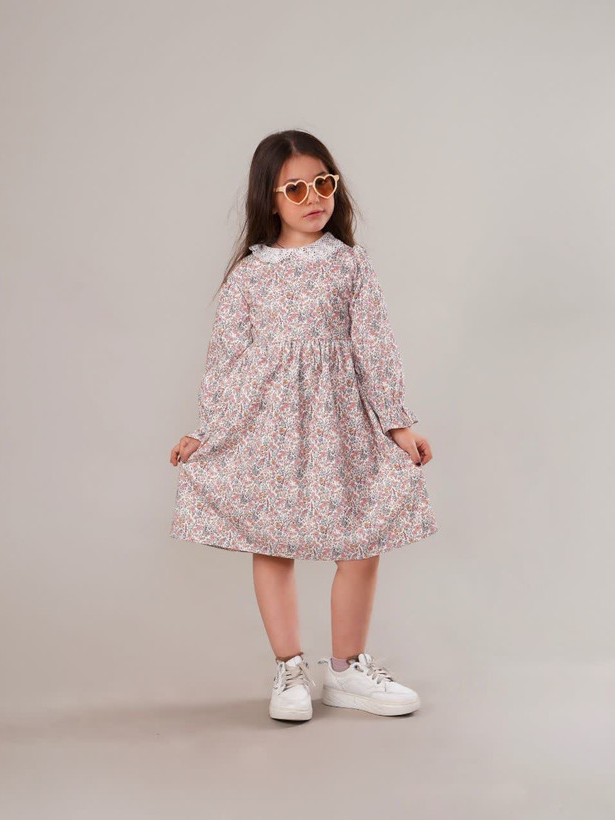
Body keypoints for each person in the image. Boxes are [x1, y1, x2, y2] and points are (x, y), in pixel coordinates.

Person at [169, 129, 439, 721]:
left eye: (323, 182)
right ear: (269, 200)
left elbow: (375, 346)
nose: (313, 197)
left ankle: (347, 670)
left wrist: (397, 424)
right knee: (271, 541)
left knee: (362, 537)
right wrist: (206, 431)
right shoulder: (249, 275)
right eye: (295, 188)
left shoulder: (349, 264)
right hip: (265, 425)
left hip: (341, 424)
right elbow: (225, 358)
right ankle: (289, 669)